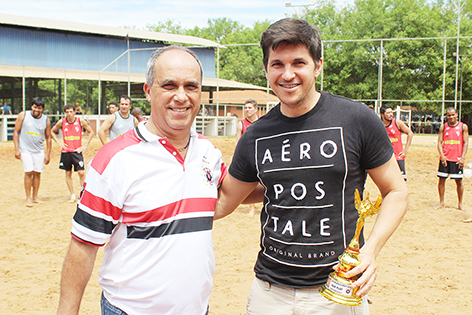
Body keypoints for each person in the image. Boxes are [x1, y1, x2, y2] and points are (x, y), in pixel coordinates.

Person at [215, 18, 408, 315]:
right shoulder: (255, 135)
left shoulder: (356, 119)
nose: (288, 74)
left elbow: (396, 191)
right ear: (267, 70)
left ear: (317, 66)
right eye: (277, 64)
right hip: (270, 293)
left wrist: (369, 252)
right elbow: (227, 199)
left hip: (339, 290)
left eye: (299, 63)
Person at [57, 45, 227, 315]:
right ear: (148, 91)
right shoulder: (115, 159)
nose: (181, 96)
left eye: (191, 86)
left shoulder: (208, 152)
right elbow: (83, 246)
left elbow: (234, 191)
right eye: (169, 85)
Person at [51, 104, 95, 203]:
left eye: (71, 111)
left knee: (81, 172)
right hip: (66, 152)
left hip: (77, 151)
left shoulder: (80, 121)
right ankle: (72, 194)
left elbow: (91, 132)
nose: (69, 114)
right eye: (67, 112)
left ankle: (84, 193)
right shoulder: (62, 122)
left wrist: (85, 145)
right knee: (68, 173)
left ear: (75, 112)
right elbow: (52, 131)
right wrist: (59, 143)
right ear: (65, 113)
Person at [13, 97, 52, 207]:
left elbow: (48, 138)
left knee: (37, 173)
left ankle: (35, 197)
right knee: (28, 172)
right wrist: (16, 149)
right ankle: (28, 198)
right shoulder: (23, 116)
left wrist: (48, 153)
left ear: (42, 109)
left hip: (39, 150)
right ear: (31, 106)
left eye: (39, 108)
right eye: (34, 107)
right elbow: (16, 132)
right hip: (25, 150)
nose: (36, 110)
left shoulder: (46, 120)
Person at [435, 107, 469, 210]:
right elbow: (439, 143)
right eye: (449, 115)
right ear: (446, 116)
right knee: (441, 180)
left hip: (457, 159)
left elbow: (466, 143)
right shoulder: (443, 127)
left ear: (457, 114)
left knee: (459, 182)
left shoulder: (463, 127)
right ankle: (441, 202)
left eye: (453, 115)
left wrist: (463, 157)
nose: (451, 117)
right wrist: (442, 156)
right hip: (445, 158)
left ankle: (460, 204)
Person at [235, 99, 259, 217]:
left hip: (261, 155)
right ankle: (252, 208)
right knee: (250, 182)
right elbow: (237, 142)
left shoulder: (262, 122)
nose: (247, 110)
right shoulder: (241, 124)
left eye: (249, 108)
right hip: (248, 157)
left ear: (256, 109)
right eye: (245, 108)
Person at [380, 105, 413, 180]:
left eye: (391, 112)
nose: (391, 114)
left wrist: (405, 150)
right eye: (388, 113)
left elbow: (410, 133)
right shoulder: (380, 126)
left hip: (398, 157)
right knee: (388, 181)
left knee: (401, 181)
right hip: (386, 158)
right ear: (382, 114)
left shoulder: (397, 123)